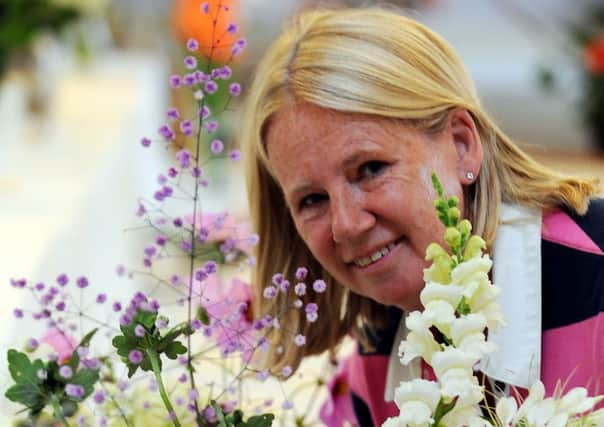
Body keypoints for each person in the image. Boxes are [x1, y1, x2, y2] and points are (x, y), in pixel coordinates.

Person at [240, 6, 604, 426]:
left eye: (371, 169)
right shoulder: (378, 353)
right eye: (312, 200)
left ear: (462, 144)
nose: (346, 224)